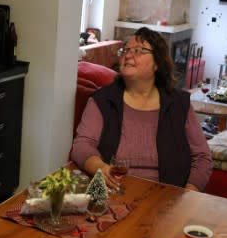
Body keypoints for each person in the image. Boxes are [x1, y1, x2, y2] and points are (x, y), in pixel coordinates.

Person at [70, 26, 212, 192]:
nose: (128, 55)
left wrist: (188, 195)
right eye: (125, 50)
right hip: (114, 193)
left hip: (168, 197)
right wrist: (100, 167)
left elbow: (202, 157)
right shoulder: (102, 100)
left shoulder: (179, 104)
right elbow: (82, 144)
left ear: (157, 63)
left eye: (138, 50)